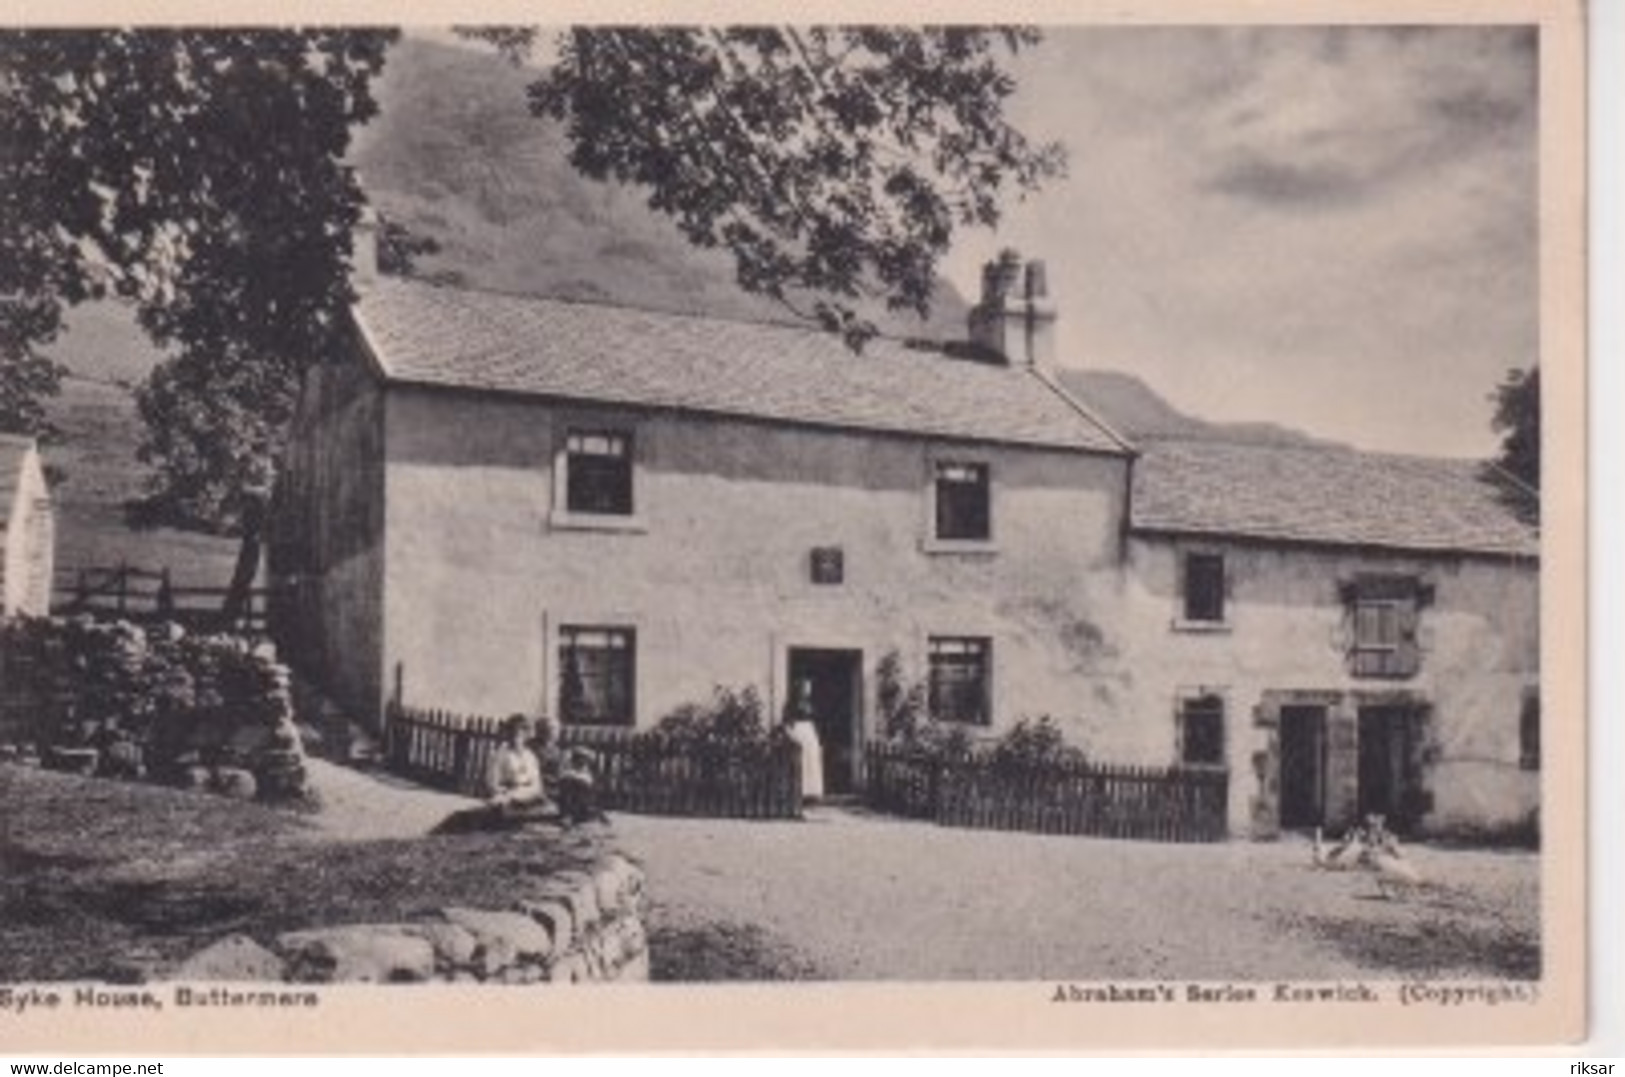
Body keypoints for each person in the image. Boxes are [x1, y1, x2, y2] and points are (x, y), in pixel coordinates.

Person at [485, 714, 546, 814]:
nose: (516, 738)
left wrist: (528, 790)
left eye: (521, 734)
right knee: (500, 804)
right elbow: (492, 783)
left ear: (526, 736)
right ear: (507, 734)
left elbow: (536, 783)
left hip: (528, 795)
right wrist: (506, 790)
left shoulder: (530, 756)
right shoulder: (500, 755)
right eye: (513, 733)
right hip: (508, 794)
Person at [784, 679, 825, 803]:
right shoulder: (791, 703)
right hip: (798, 731)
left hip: (810, 733)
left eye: (809, 688)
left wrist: (818, 738)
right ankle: (799, 792)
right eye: (806, 687)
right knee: (800, 762)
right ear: (800, 688)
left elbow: (815, 720)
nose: (808, 690)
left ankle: (812, 792)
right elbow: (786, 721)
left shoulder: (810, 704)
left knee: (812, 760)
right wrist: (791, 735)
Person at [556, 746, 605, 826]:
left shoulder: (589, 772)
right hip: (570, 798)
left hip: (584, 801)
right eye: (577, 758)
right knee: (567, 785)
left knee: (576, 786)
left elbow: (592, 785)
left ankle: (571, 815)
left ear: (587, 761)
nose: (580, 761)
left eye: (583, 759)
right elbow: (562, 778)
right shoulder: (569, 770)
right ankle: (567, 815)